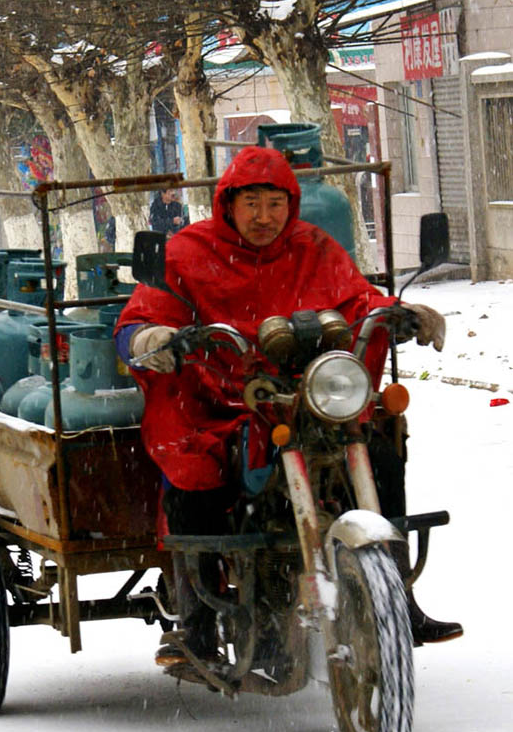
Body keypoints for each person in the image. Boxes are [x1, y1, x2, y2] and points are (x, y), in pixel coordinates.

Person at [115, 146, 461, 665]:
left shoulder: (313, 247)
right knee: (196, 475)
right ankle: (196, 625)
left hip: (303, 394)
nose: (263, 216)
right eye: (251, 202)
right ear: (228, 202)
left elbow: (358, 300)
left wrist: (401, 312)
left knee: (382, 458)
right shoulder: (188, 251)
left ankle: (399, 601)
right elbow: (139, 320)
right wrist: (152, 338)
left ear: (291, 204)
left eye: (275, 203)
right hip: (216, 400)